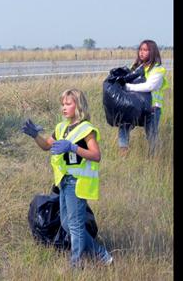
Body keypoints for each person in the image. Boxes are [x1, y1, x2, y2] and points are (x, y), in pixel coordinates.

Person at [22, 89, 113, 268]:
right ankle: (103, 255)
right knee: (66, 222)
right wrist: (35, 136)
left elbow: (96, 155)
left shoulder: (87, 129)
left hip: (77, 182)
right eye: (62, 104)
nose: (64, 107)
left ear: (78, 106)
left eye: (68, 104)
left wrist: (72, 147)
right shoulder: (61, 127)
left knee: (76, 225)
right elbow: (46, 146)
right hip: (63, 181)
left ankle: (76, 264)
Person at [117, 39, 169, 156]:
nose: (141, 52)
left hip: (152, 109)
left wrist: (128, 87)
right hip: (135, 106)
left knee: (152, 136)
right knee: (123, 125)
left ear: (153, 52)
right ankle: (123, 153)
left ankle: (154, 160)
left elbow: (150, 86)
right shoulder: (135, 67)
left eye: (145, 50)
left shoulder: (158, 69)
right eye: (140, 49)